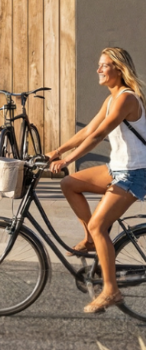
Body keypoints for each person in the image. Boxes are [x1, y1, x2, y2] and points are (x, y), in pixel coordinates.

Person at [49, 47, 146, 313]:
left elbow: (98, 135)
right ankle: (91, 240)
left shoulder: (126, 98)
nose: (98, 70)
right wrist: (57, 151)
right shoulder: (111, 99)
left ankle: (111, 291)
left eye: (104, 65)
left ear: (119, 69)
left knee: (98, 225)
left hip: (135, 172)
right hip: (117, 168)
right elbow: (88, 130)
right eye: (99, 65)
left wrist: (67, 160)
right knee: (70, 184)